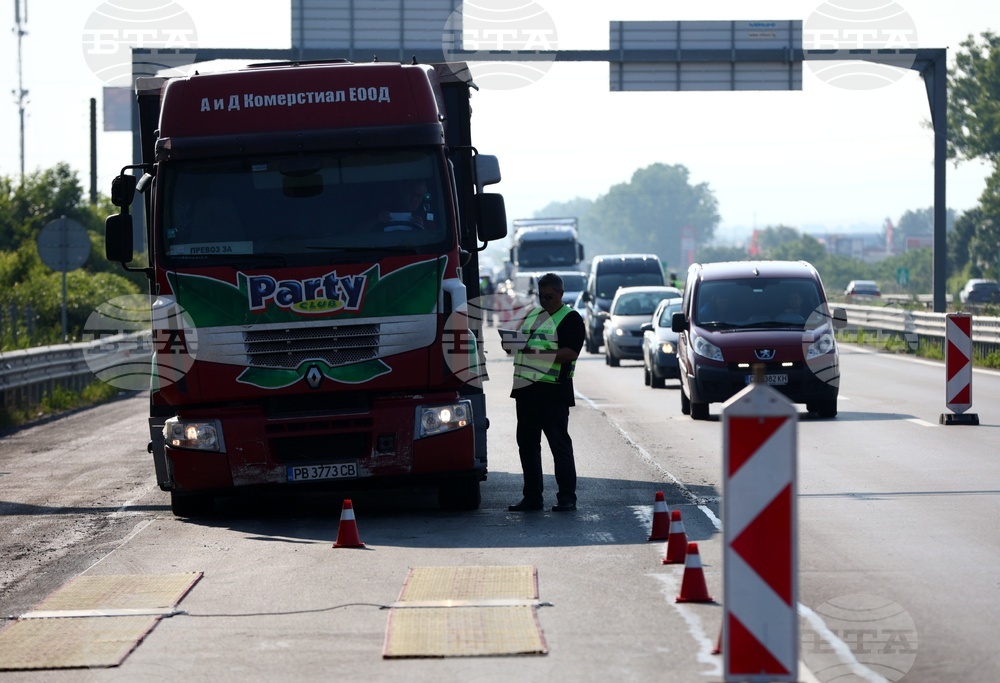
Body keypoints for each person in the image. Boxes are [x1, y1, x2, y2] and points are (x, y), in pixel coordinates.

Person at [504, 272, 585, 512]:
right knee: (527, 446)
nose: (545, 301)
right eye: (541, 296)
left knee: (559, 446)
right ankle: (532, 497)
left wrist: (536, 355)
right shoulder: (533, 315)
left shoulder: (570, 319)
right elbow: (517, 343)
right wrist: (510, 342)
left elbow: (571, 353)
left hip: (553, 393)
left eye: (549, 296)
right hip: (526, 392)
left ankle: (567, 497)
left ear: (560, 294)